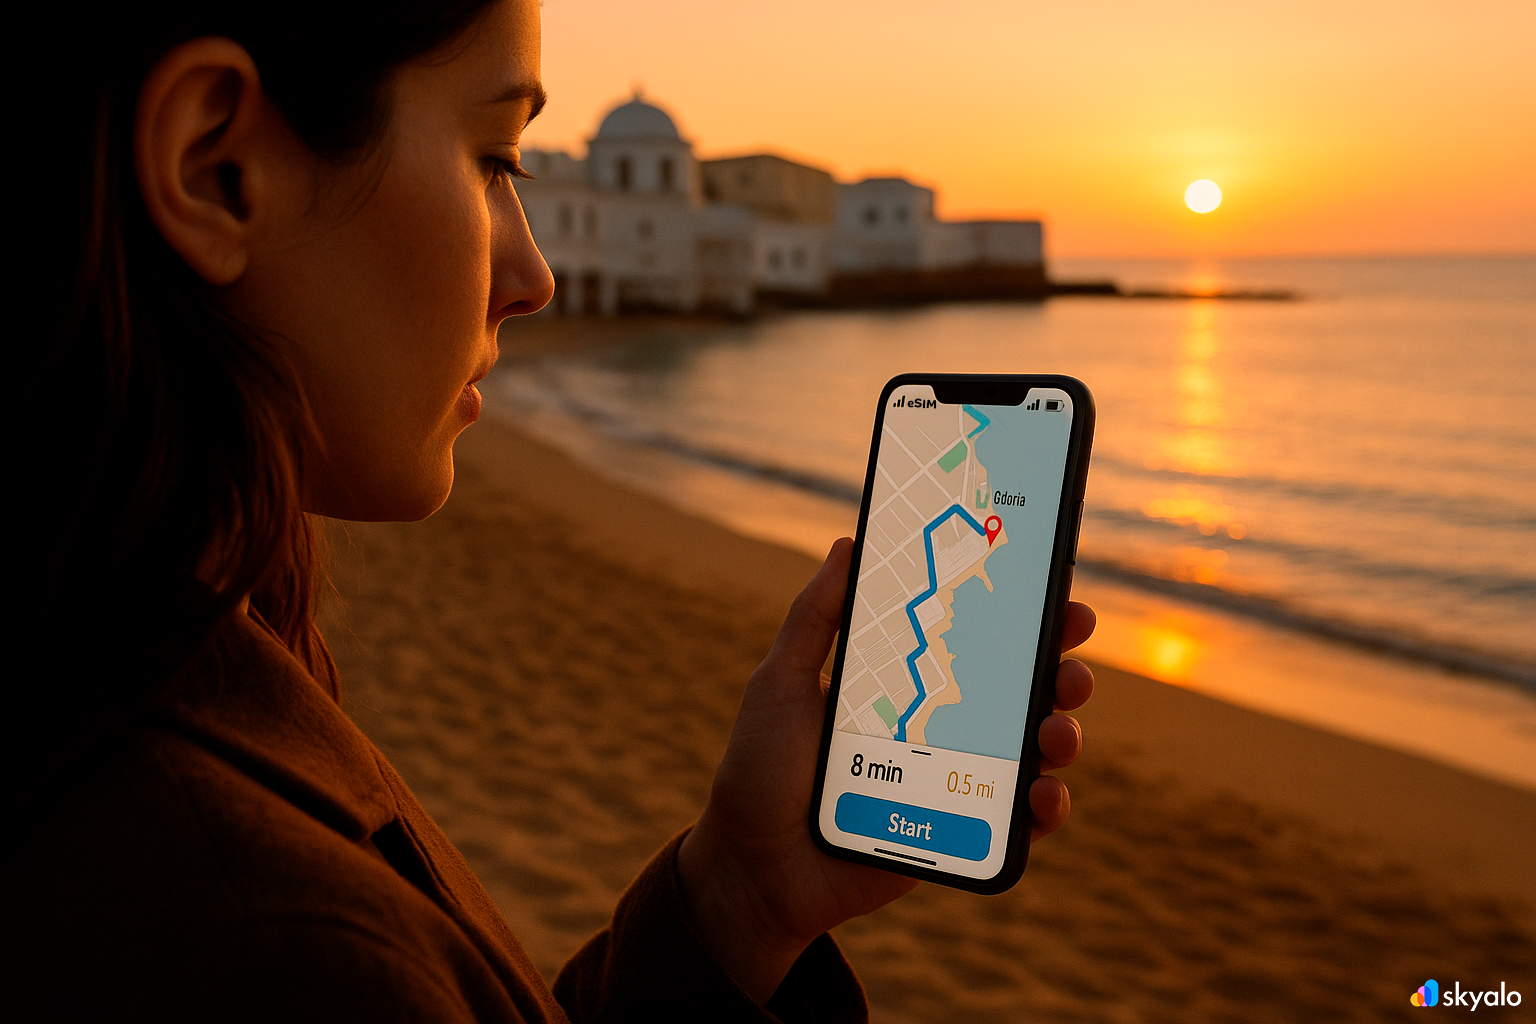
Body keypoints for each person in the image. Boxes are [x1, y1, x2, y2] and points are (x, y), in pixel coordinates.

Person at [2, 0, 1096, 1019]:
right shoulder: (274, 948)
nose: (536, 273)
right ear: (215, 167)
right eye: (493, 159)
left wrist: (734, 903)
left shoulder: (129, 645)